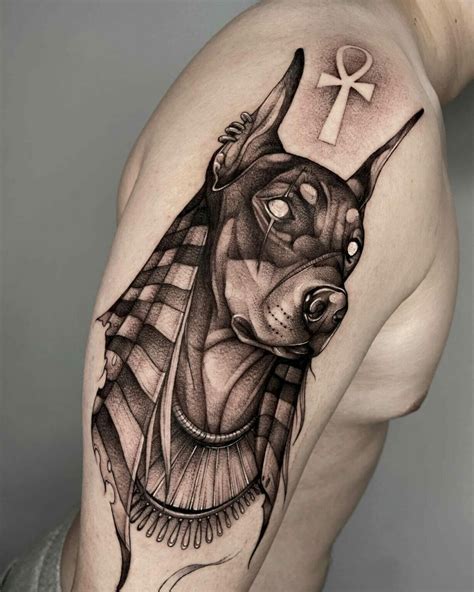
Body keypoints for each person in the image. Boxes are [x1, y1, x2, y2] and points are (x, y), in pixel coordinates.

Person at [2, 1, 472, 591]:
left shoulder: (391, 82)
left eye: (347, 251)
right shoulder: (375, 82)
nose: (331, 291)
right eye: (280, 210)